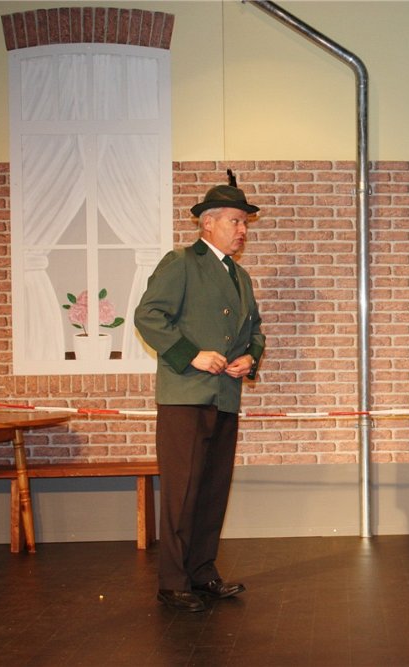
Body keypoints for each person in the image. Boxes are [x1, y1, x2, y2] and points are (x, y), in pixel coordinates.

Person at [135, 170, 265, 612]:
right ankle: (173, 581)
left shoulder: (240, 277)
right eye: (235, 221)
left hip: (225, 396)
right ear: (208, 222)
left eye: (245, 222)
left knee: (212, 489)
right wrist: (192, 355)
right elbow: (148, 316)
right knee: (183, 490)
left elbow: (255, 330)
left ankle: (202, 573)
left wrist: (249, 359)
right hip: (186, 397)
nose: (242, 229)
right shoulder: (181, 263)